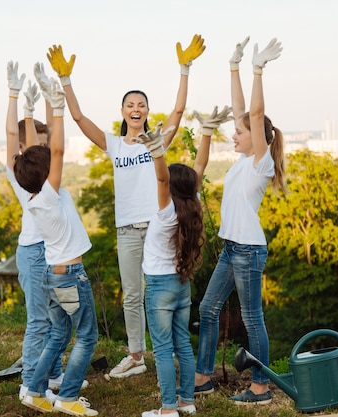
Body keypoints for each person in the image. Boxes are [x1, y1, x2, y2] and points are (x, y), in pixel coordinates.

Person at [45, 35, 205, 379]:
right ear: (122, 112)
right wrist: (66, 80)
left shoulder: (157, 139)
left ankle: (170, 352)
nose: (136, 109)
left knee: (160, 293)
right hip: (127, 231)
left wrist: (184, 69)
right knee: (132, 295)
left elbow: (178, 111)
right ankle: (136, 356)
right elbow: (77, 117)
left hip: (158, 228)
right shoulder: (114, 145)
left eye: (141, 105)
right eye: (130, 105)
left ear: (147, 111)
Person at [194, 37, 286, 405]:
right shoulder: (242, 161)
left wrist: (257, 70)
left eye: (241, 131)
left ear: (258, 138)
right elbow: (241, 111)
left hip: (248, 251)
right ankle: (202, 377)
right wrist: (233, 66)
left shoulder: (260, 164)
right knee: (207, 308)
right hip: (232, 249)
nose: (234, 133)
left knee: (252, 319)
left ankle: (261, 388)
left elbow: (255, 111)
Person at [134, 105, 233, 417]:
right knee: (182, 346)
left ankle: (167, 409)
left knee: (163, 348)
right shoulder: (193, 204)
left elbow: (162, 180)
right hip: (181, 285)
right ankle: (186, 402)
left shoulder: (165, 212)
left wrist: (157, 151)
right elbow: (199, 167)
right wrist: (206, 132)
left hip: (160, 288)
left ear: (170, 189)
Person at [14, 65, 99, 417]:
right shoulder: (50, 194)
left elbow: (37, 154)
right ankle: (66, 397)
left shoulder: (35, 196)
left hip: (53, 274)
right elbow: (58, 152)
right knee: (87, 337)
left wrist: (38, 110)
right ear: (46, 174)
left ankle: (34, 389)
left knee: (57, 336)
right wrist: (59, 108)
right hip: (70, 278)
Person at [5, 60, 63, 402]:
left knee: (58, 319)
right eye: (35, 144)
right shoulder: (21, 174)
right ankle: (29, 382)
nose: (41, 148)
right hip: (32, 252)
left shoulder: (50, 172)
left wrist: (47, 95)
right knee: (39, 321)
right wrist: (15, 98)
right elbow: (14, 137)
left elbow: (54, 137)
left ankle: (53, 374)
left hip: (55, 251)